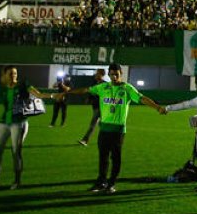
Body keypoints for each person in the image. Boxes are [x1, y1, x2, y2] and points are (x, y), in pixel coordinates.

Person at [64, 63, 163, 194]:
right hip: (104, 129)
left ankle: (111, 184)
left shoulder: (127, 88)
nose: (114, 76)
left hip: (118, 130)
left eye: (116, 74)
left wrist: (157, 107)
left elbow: (142, 99)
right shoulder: (102, 87)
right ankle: (101, 182)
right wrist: (68, 92)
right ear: (109, 74)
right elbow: (86, 90)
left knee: (115, 158)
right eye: (111, 74)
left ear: (121, 74)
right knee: (103, 157)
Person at [77, 69, 106, 146]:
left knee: (92, 124)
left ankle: (85, 140)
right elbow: (91, 92)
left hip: (101, 108)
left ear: (101, 75)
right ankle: (108, 140)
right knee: (102, 125)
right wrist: (89, 99)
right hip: (95, 106)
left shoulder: (105, 84)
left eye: (97, 73)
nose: (95, 75)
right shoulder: (94, 83)